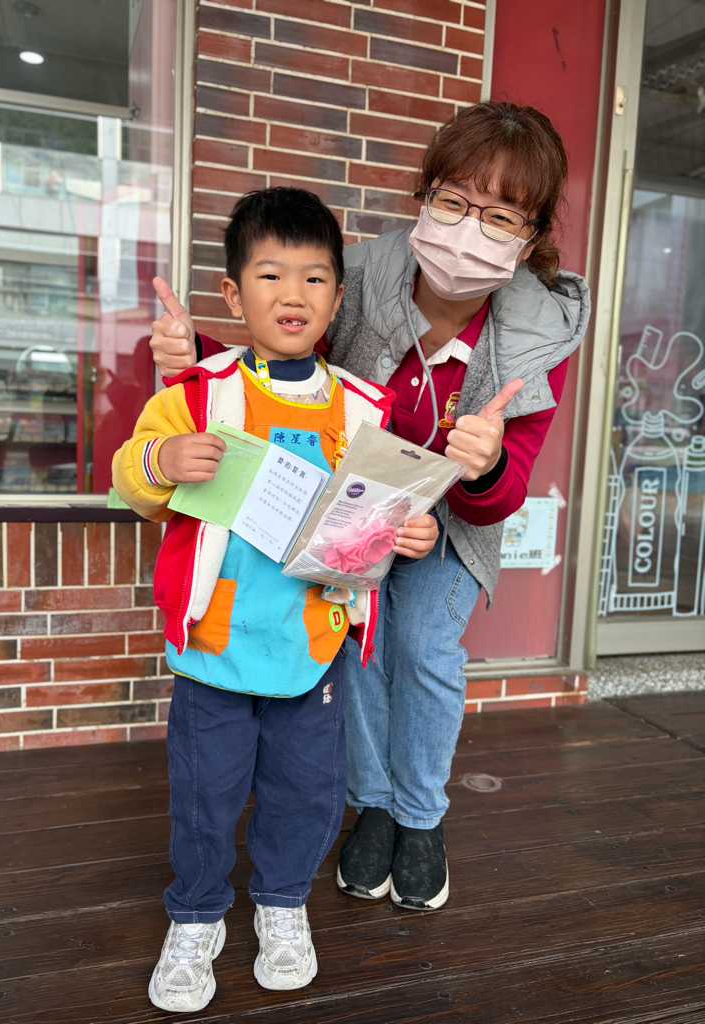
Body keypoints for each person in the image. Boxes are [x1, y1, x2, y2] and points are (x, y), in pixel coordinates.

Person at [148, 102, 591, 914]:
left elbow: (500, 500)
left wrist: (487, 463)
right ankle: (373, 806)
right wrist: (199, 356)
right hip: (347, 506)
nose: (468, 230)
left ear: (529, 237)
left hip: (449, 518)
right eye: (453, 201)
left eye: (500, 216)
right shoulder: (361, 277)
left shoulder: (542, 335)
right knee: (352, 640)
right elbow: (286, 363)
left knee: (421, 644)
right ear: (425, 197)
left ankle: (420, 817)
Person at [113, 187, 438, 1014]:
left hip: (311, 649)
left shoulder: (363, 409)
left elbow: (384, 518)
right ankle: (196, 916)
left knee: (306, 793)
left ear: (337, 296)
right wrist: (161, 462)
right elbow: (131, 477)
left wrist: (412, 532)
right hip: (214, 651)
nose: (293, 295)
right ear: (233, 294)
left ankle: (284, 904)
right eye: (270, 275)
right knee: (205, 796)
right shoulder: (197, 392)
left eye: (314, 278)